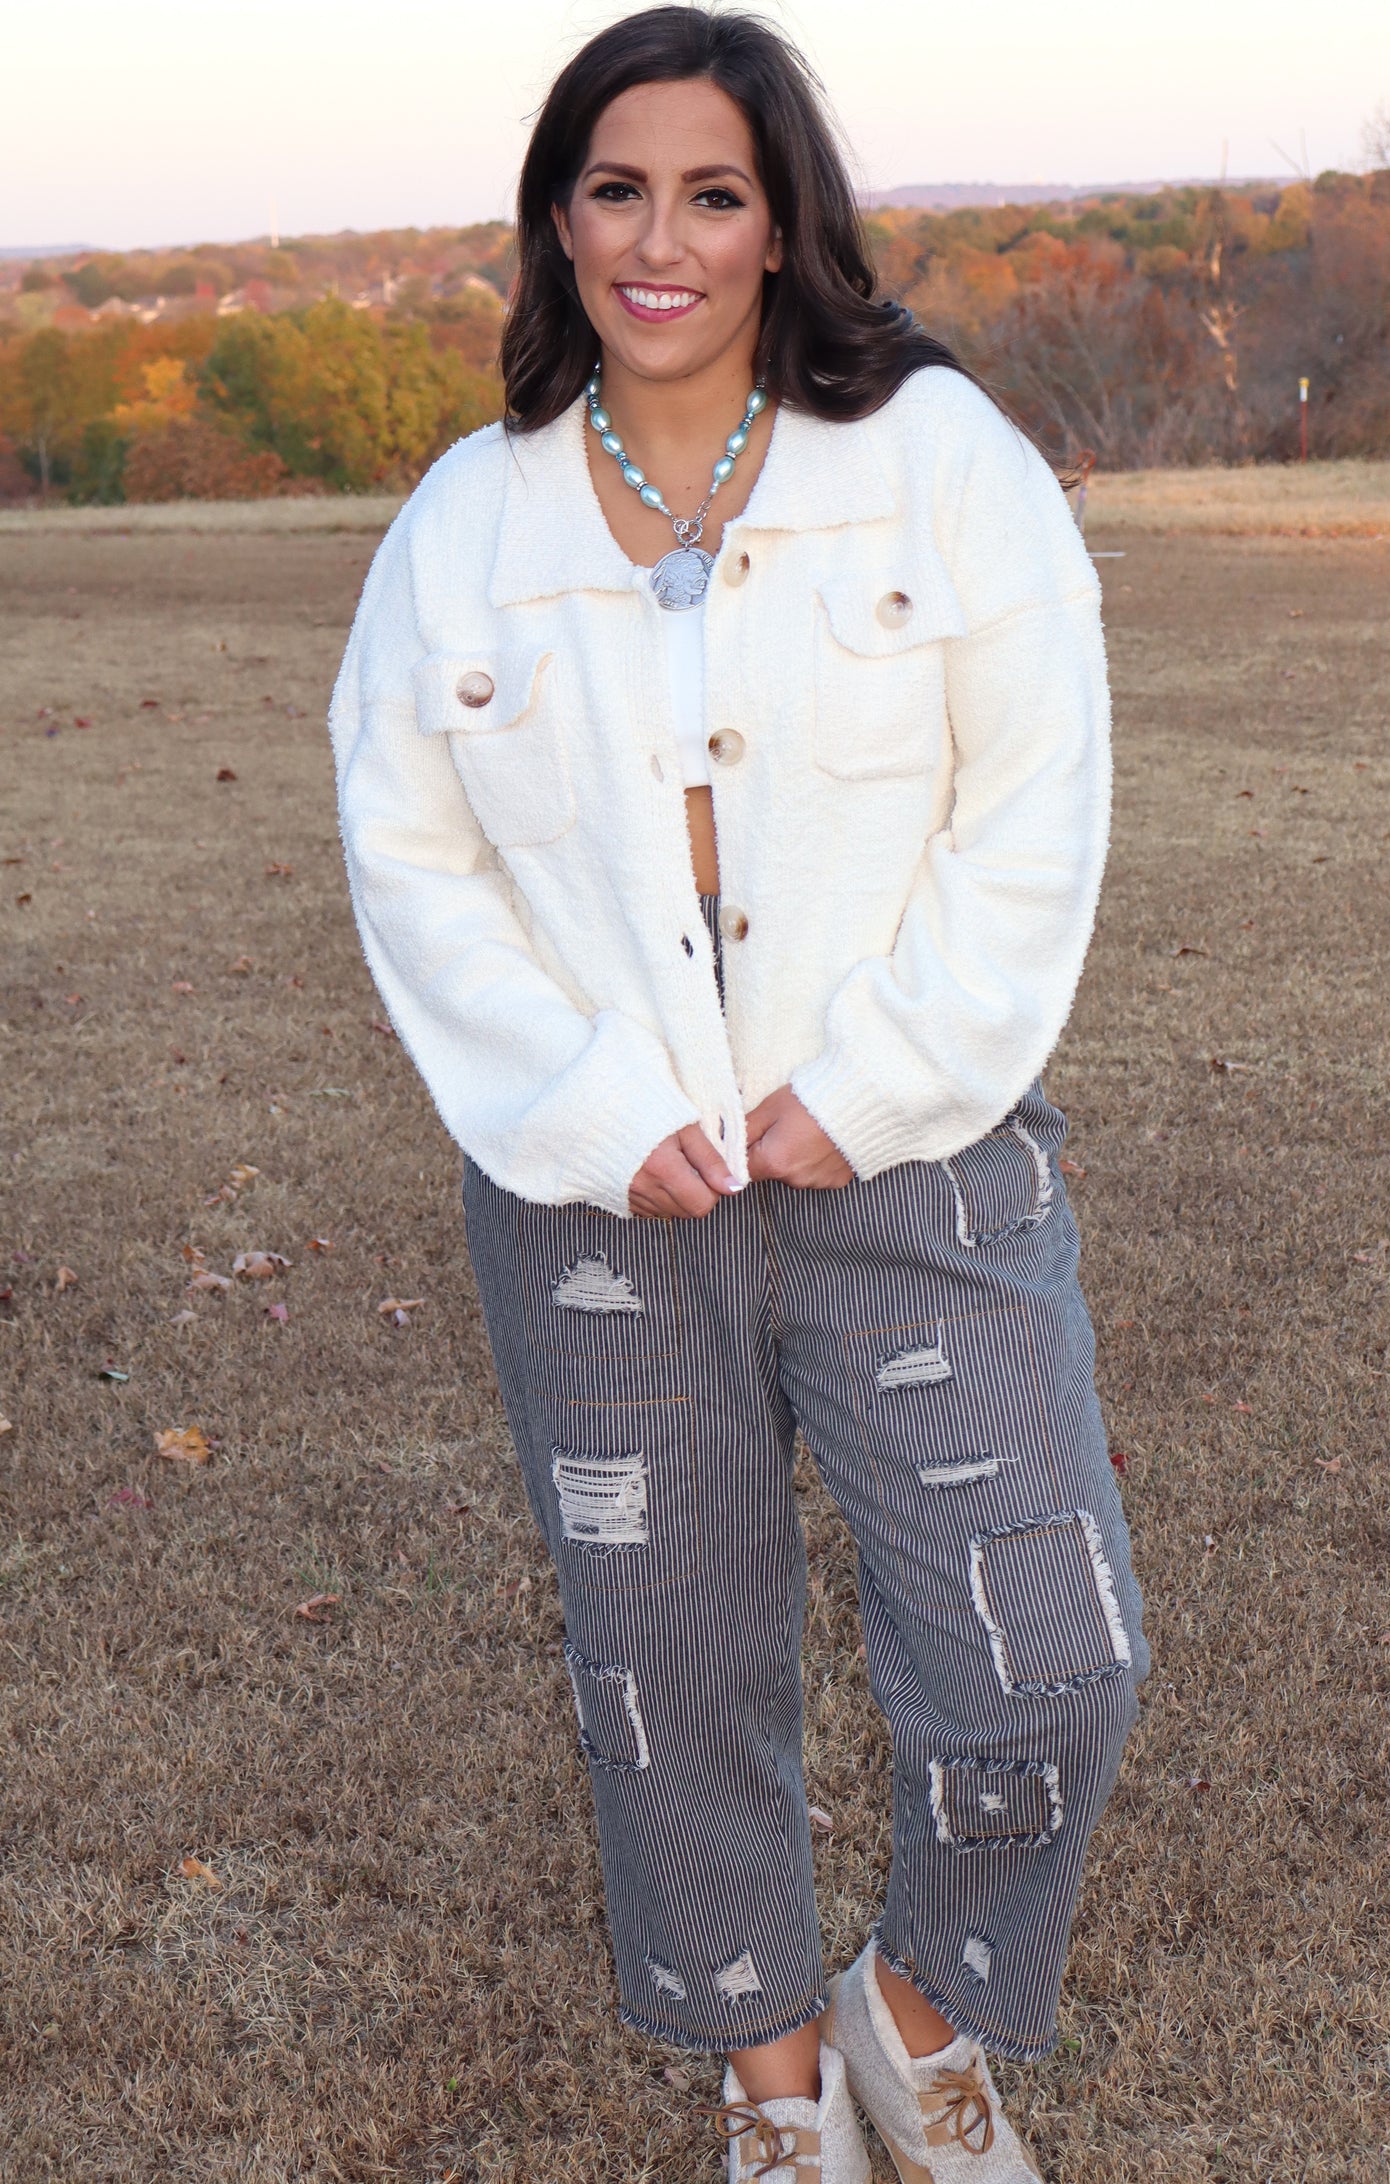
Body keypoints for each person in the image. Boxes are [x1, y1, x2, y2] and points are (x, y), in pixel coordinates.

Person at [328, 8, 1148, 2178]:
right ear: (559, 220)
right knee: (671, 1666)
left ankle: (916, 2007)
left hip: (913, 1160)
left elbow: (1033, 808)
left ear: (782, 221)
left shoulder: (937, 460)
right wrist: (598, 1107)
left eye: (711, 191)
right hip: (605, 1196)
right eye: (617, 189)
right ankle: (775, 2090)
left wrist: (868, 1084)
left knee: (1047, 1661)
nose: (661, 239)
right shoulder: (469, 521)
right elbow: (411, 856)